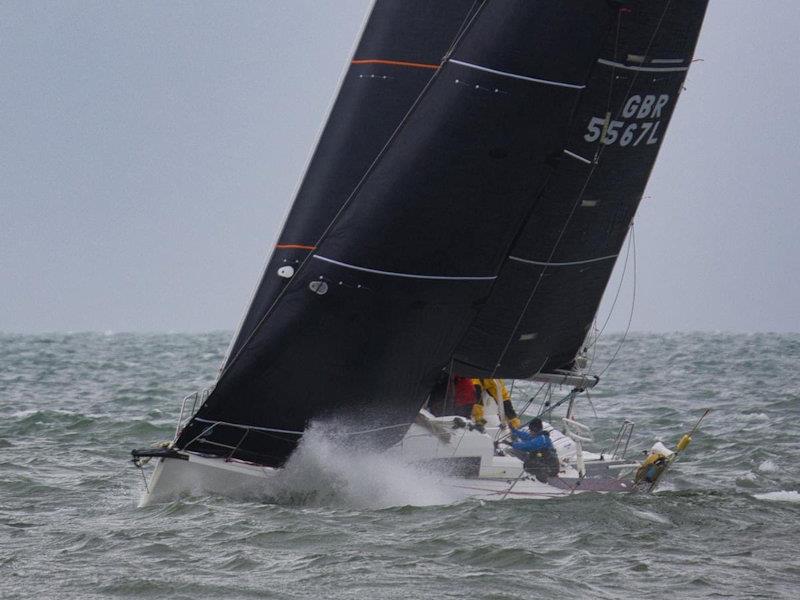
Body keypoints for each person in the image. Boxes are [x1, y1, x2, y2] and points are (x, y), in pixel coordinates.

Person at [509, 418, 560, 482]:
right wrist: (514, 430)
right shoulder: (539, 436)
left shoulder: (541, 440)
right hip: (545, 463)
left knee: (525, 459)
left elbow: (528, 446)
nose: (530, 432)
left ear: (534, 429)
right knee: (525, 456)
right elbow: (526, 436)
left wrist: (512, 444)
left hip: (550, 468)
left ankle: (542, 480)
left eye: (530, 430)